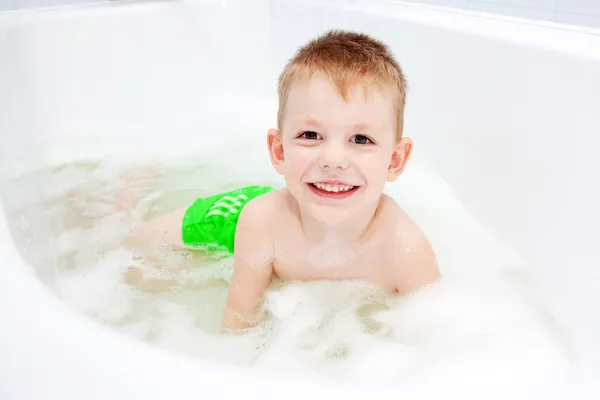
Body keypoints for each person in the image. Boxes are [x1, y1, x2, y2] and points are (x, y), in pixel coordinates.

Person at [125, 29, 440, 333]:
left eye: (360, 139)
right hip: (233, 218)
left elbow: (432, 345)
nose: (333, 159)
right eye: (310, 135)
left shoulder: (405, 251)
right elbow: (238, 320)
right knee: (131, 243)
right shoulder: (261, 221)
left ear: (395, 160)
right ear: (279, 151)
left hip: (295, 200)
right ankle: (126, 196)